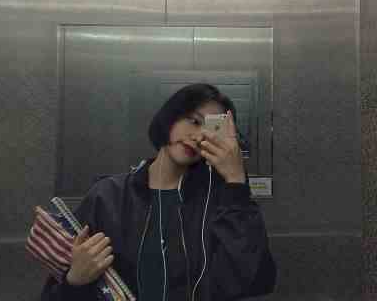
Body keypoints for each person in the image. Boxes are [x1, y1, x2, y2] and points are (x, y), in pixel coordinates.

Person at [41, 83, 277, 301]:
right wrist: (74, 281)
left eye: (209, 129)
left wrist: (236, 182)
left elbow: (255, 280)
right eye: (194, 121)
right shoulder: (108, 196)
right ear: (170, 118)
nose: (198, 137)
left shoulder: (218, 201)